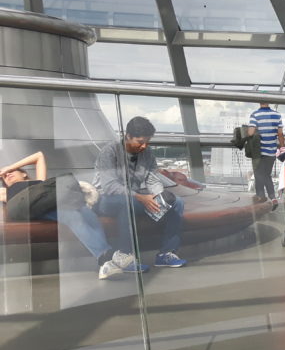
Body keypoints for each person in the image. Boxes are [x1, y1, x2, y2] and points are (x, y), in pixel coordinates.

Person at [1, 151, 127, 280]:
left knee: (87, 213)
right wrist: (3, 171)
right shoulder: (6, 191)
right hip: (35, 209)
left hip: (55, 203)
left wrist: (10, 167)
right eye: (4, 176)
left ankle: (107, 262)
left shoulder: (40, 181)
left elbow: (39, 156)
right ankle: (106, 257)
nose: (8, 174)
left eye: (12, 171)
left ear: (23, 173)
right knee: (73, 216)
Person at [95, 116, 187, 269]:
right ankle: (126, 257)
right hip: (106, 200)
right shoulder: (109, 152)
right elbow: (109, 186)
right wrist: (140, 197)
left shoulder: (147, 153)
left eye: (147, 142)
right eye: (140, 142)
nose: (144, 146)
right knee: (127, 203)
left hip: (134, 199)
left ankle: (166, 253)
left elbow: (152, 180)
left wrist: (159, 197)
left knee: (177, 203)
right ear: (128, 136)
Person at [249, 99, 284, 209]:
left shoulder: (255, 115)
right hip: (271, 150)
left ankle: (260, 196)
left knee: (258, 174)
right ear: (269, 101)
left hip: (258, 151)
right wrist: (282, 146)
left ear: (259, 102)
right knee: (266, 175)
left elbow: (250, 133)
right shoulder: (277, 115)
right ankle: (273, 198)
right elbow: (280, 134)